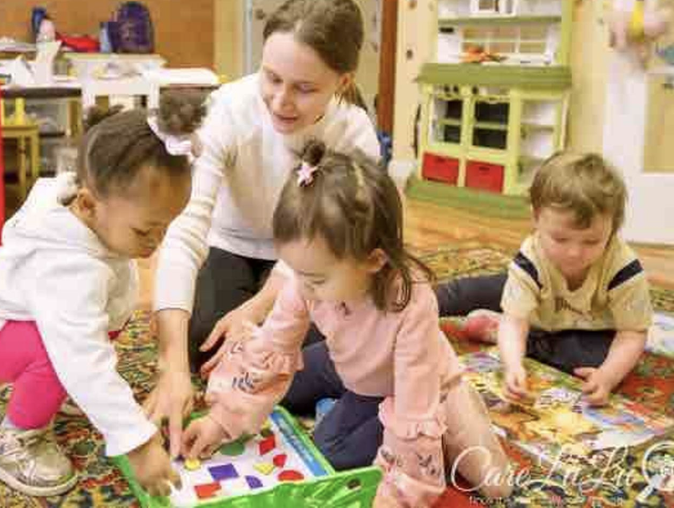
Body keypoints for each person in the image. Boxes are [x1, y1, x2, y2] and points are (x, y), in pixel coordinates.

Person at [182, 140, 511, 508]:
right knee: (307, 436)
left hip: (419, 388)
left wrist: (399, 492)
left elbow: (412, 412)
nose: (302, 287)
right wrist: (220, 422)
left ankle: (452, 419)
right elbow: (271, 350)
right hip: (357, 371)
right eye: (297, 272)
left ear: (373, 261)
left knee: (495, 484)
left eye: (317, 279)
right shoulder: (307, 280)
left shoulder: (412, 305)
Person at [146, 0, 381, 458]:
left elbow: (327, 245)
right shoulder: (228, 110)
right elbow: (187, 229)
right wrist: (170, 368)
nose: (280, 101)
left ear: (343, 81)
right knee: (201, 343)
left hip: (308, 262)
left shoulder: (353, 133)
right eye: (271, 78)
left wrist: (255, 311)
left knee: (333, 341)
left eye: (305, 88)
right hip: (231, 244)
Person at [0, 90, 208, 497]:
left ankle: (54, 390)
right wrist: (136, 444)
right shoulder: (68, 266)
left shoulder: (100, 218)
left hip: (29, 321)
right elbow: (80, 354)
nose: (156, 242)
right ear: (87, 204)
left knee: (94, 327)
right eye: (145, 231)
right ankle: (11, 440)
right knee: (62, 352)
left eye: (165, 228)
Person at [456, 152, 652, 406]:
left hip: (586, 330)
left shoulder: (623, 268)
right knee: (472, 291)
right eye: (560, 239)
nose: (574, 253)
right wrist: (513, 366)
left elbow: (632, 333)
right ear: (536, 218)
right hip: (537, 303)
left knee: (592, 362)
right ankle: (420, 297)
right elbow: (516, 321)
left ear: (612, 229)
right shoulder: (531, 257)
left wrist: (607, 376)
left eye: (592, 241)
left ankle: (507, 333)